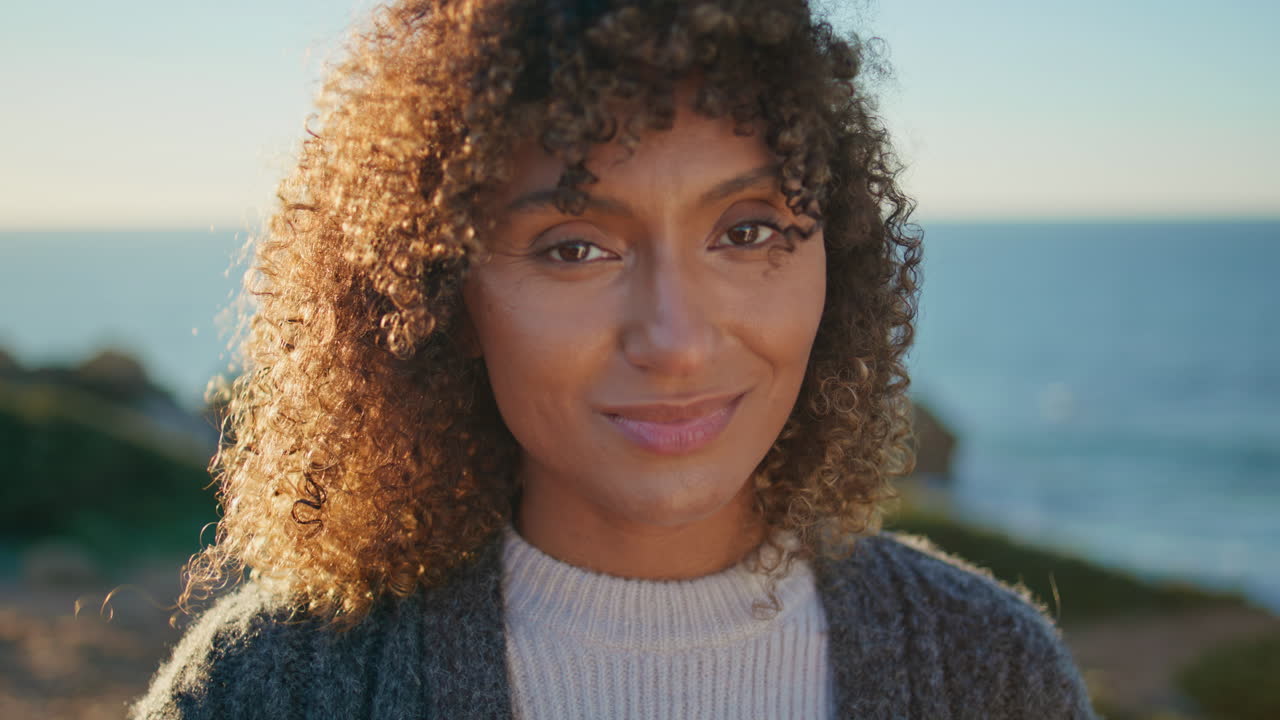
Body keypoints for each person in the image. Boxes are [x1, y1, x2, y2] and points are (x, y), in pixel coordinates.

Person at [132, 0, 1096, 717]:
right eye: (574, 249)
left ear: (833, 261)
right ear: (439, 296)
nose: (677, 342)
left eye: (748, 230)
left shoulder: (989, 674)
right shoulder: (275, 690)